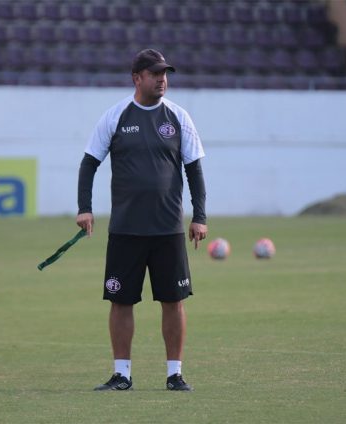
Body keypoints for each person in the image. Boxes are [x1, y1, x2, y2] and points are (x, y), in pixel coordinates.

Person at [76, 49, 207, 391]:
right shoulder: (115, 116)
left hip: (168, 229)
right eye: (155, 73)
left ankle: (174, 374)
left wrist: (200, 216)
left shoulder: (179, 117)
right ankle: (122, 374)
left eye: (165, 73)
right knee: (121, 301)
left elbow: (194, 170)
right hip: (126, 229)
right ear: (137, 78)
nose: (162, 79)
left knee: (173, 301)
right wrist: (84, 208)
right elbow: (89, 163)